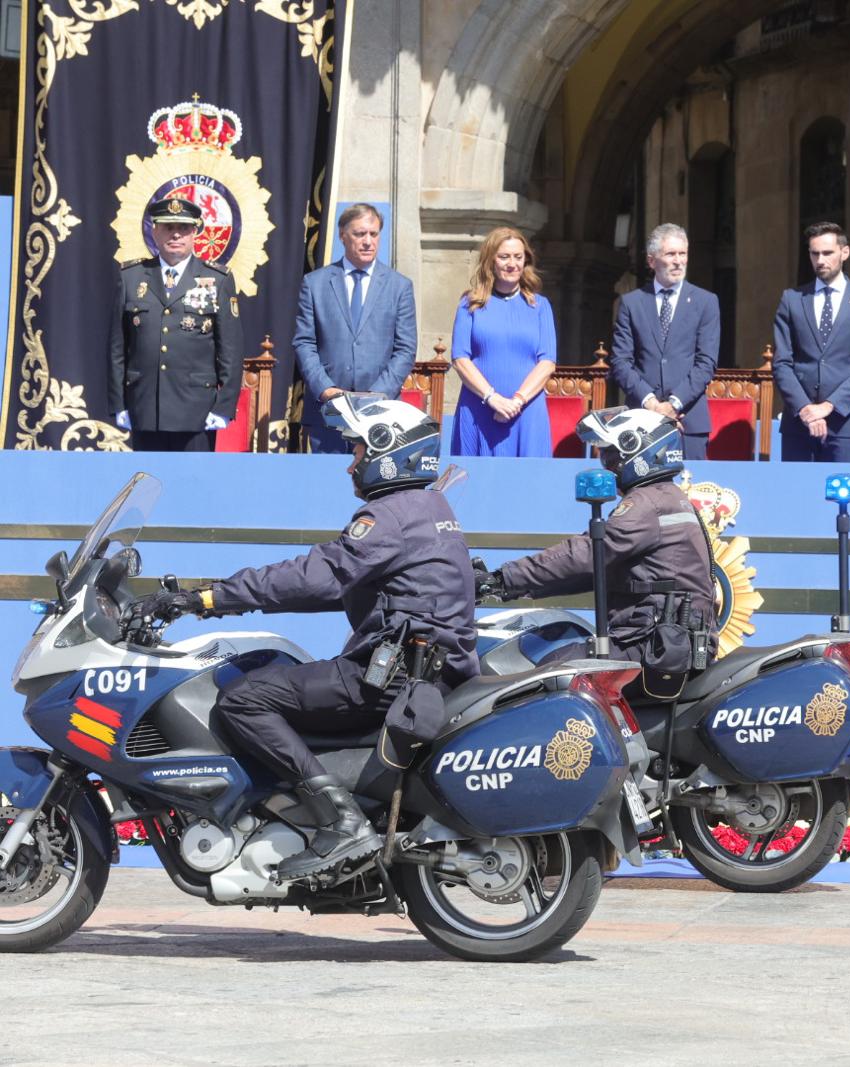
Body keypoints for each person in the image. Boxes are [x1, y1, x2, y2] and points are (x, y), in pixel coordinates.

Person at [128, 394, 478, 881]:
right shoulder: (429, 506)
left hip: (391, 677)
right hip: (423, 671)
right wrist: (224, 599)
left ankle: (340, 821)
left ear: (388, 451)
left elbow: (317, 575)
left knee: (242, 700)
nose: (351, 464)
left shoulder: (389, 517)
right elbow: (341, 587)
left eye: (359, 450)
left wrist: (204, 598)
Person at [478, 407, 715, 702]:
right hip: (665, 643)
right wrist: (505, 587)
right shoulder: (667, 497)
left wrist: (504, 577)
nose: (609, 464)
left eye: (613, 454)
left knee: (546, 676)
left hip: (652, 646)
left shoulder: (647, 503)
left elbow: (586, 553)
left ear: (640, 452)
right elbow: (597, 570)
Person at [108, 196, 243, 452]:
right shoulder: (131, 277)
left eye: (183, 228)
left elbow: (230, 351)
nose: (176, 234)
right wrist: (118, 402)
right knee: (148, 475)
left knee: (193, 477)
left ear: (195, 233)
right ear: (155, 231)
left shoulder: (218, 279)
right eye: (168, 227)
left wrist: (224, 407)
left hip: (197, 411)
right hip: (145, 407)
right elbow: (117, 348)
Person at [293, 204, 419, 454]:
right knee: (328, 477)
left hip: (381, 413)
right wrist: (325, 389)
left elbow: (405, 348)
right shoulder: (315, 283)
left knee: (376, 479)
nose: (368, 241)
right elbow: (304, 342)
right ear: (343, 235)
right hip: (328, 411)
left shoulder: (399, 286)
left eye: (374, 234)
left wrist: (377, 395)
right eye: (360, 234)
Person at [771, 222, 850, 463]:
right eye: (815, 254)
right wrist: (804, 408)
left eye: (827, 253)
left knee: (843, 488)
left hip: (845, 426)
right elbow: (782, 363)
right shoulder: (792, 299)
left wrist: (828, 406)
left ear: (845, 252)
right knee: (797, 487)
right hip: (798, 425)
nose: (820, 260)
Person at [608, 223, 720, 461]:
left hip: (688, 420)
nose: (678, 261)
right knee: (643, 484)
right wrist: (652, 404)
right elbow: (621, 361)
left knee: (689, 484)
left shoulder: (706, 302)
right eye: (670, 254)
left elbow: (706, 362)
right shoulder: (632, 303)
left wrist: (673, 404)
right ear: (652, 261)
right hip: (641, 420)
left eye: (683, 254)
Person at [448, 227, 558, 457]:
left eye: (518, 257)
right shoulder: (469, 304)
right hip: (478, 409)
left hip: (527, 412)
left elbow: (547, 362)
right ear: (491, 260)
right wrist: (492, 398)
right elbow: (460, 358)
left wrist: (516, 401)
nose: (512, 264)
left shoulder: (540, 306)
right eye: (504, 257)